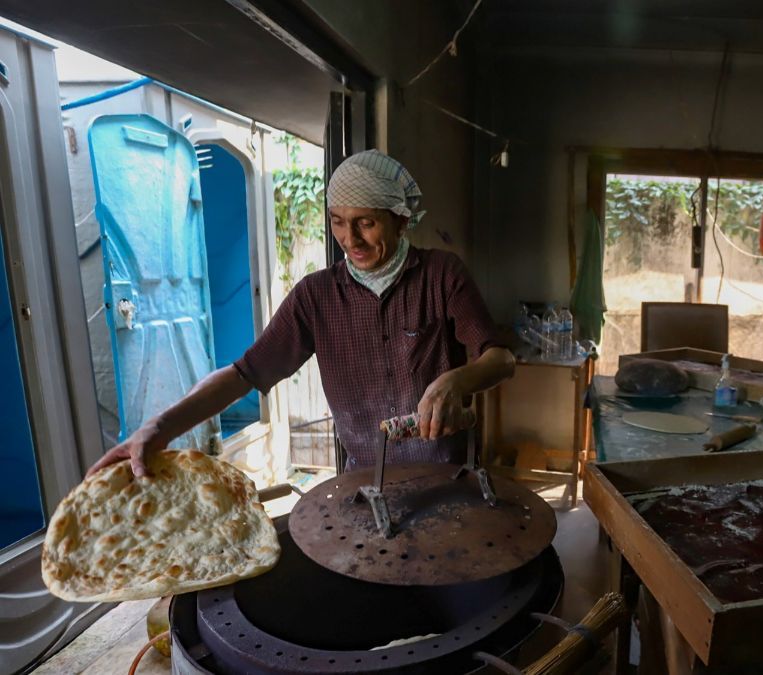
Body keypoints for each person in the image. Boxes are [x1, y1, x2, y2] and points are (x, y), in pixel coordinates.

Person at [89, 150, 514, 478]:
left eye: (366, 223)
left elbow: (501, 359)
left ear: (401, 221)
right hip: (364, 484)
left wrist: (454, 380)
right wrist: (158, 429)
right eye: (338, 222)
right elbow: (244, 375)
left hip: (446, 477)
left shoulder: (441, 276)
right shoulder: (317, 297)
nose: (351, 240)